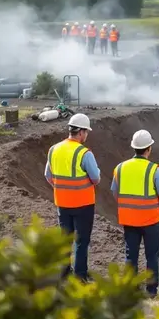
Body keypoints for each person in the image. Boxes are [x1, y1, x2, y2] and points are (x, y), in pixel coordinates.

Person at [111, 129, 159, 298]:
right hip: (151, 220)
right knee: (152, 257)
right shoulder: (154, 170)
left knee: (131, 255)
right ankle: (151, 292)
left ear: (133, 148)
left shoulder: (120, 168)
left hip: (129, 220)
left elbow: (115, 192)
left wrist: (127, 207)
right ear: (149, 148)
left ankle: (131, 289)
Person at [44, 113, 100, 281]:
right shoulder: (84, 153)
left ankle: (63, 273)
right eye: (86, 132)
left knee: (65, 238)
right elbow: (95, 178)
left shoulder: (54, 149)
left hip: (62, 203)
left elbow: (48, 175)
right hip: (83, 204)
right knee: (82, 241)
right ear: (81, 132)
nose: (87, 136)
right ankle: (80, 275)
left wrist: (61, 188)